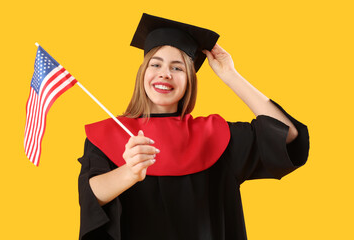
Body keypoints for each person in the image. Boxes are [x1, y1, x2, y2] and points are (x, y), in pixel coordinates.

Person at [78, 13, 309, 240]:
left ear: (189, 79)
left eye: (177, 68)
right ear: (143, 74)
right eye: (155, 64)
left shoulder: (214, 135)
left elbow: (288, 135)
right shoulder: (108, 133)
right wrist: (129, 172)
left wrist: (231, 76)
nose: (165, 74)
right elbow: (91, 196)